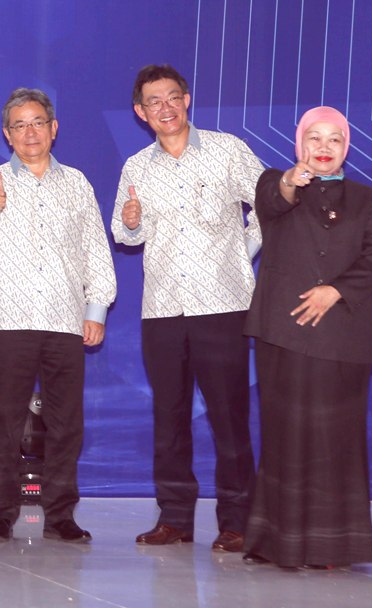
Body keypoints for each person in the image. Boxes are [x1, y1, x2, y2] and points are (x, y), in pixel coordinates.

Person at [111, 64, 263, 553]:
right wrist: (131, 222)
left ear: (187, 99)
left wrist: (240, 252)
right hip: (163, 310)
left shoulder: (227, 149)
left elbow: (270, 204)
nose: (166, 108)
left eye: (172, 97)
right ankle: (174, 518)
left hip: (222, 304)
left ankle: (238, 520)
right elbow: (124, 234)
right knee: (169, 417)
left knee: (229, 416)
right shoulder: (137, 166)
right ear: (141, 112)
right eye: (154, 101)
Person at [241, 106, 372, 569]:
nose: (324, 148)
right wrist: (292, 179)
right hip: (283, 335)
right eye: (314, 138)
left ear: (346, 147)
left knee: (335, 441)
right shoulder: (275, 185)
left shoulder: (366, 199)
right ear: (299, 143)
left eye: (334, 139)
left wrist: (336, 291)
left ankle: (333, 547)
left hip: (342, 339)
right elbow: (274, 200)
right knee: (284, 438)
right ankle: (276, 543)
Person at [0, 88, 115, 543]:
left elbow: (96, 249)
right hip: (9, 320)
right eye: (19, 125)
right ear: (7, 134)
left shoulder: (77, 183)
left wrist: (96, 309)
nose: (29, 132)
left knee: (66, 422)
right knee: (6, 421)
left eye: (37, 123)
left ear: (54, 128)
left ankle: (60, 514)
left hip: (65, 319)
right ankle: (0, 514)